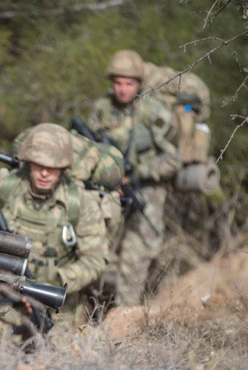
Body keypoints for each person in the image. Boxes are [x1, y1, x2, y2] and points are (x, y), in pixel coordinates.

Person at [0, 123, 109, 330]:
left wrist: (57, 281)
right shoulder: (3, 187)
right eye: (38, 165)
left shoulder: (81, 203)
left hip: (55, 306)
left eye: (52, 168)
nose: (44, 173)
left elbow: (96, 259)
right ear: (28, 162)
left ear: (64, 168)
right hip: (0, 296)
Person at [86, 49, 183, 306]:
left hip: (145, 192)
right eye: (118, 83)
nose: (123, 89)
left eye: (129, 83)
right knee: (95, 251)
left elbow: (174, 159)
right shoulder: (102, 109)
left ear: (139, 83)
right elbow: (87, 149)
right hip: (107, 192)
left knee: (135, 256)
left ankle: (124, 318)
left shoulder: (153, 112)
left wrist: (140, 172)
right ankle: (89, 311)